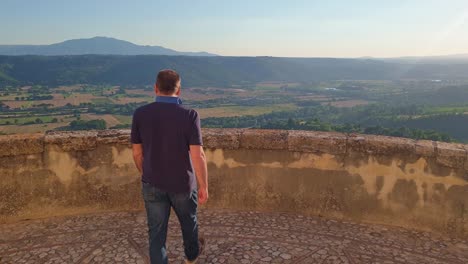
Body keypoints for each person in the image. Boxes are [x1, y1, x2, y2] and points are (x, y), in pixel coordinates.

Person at [131, 69, 208, 264]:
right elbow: (198, 155)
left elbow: (137, 153)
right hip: (182, 184)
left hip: (152, 183)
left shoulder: (140, 114)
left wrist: (147, 173)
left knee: (156, 234)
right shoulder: (190, 115)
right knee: (189, 225)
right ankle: (191, 258)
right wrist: (203, 185)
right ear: (179, 90)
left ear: (155, 88)